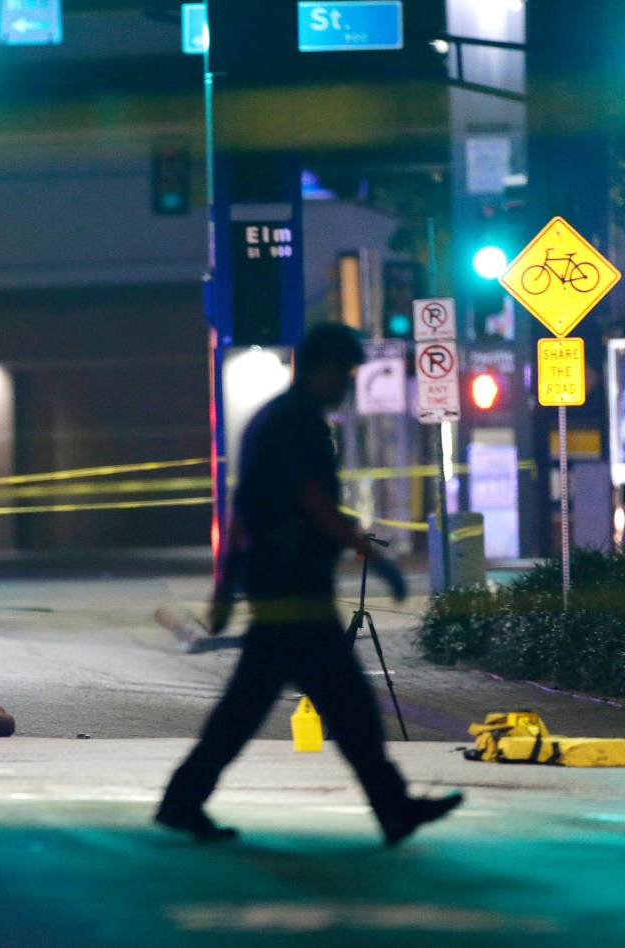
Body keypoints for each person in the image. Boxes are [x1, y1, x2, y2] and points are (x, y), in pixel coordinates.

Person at [155, 323, 463, 847]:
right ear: (322, 368)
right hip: (294, 589)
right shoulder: (298, 422)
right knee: (334, 706)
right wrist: (368, 553)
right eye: (345, 373)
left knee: (279, 706)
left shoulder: (272, 418)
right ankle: (392, 808)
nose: (348, 384)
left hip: (280, 587)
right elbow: (312, 498)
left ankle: (183, 802)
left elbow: (243, 509)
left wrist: (227, 587)